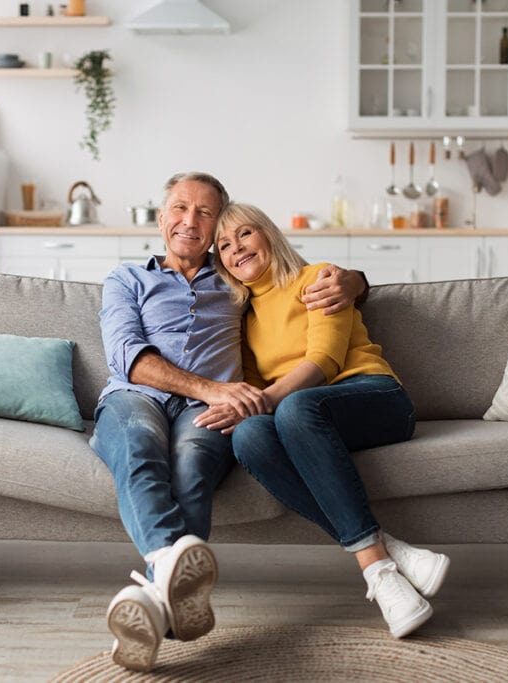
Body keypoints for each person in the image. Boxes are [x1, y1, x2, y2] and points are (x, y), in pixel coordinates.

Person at [91, 172, 367, 671]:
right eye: (179, 208)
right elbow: (128, 356)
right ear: (161, 218)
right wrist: (213, 387)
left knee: (194, 464)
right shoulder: (126, 279)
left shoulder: (239, 282)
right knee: (138, 444)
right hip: (137, 396)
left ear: (219, 227)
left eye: (205, 212)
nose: (189, 220)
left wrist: (353, 280)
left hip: (207, 413)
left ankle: (153, 607)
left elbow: (298, 280)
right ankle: (167, 569)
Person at [196, 202, 450, 639]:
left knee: (292, 408)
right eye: (223, 246)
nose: (236, 248)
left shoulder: (319, 279)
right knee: (250, 437)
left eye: (245, 234)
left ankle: (376, 569)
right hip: (307, 420)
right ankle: (385, 558)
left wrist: (266, 401)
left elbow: (324, 362)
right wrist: (243, 409)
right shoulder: (245, 321)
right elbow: (255, 389)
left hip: (375, 397)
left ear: (268, 234)